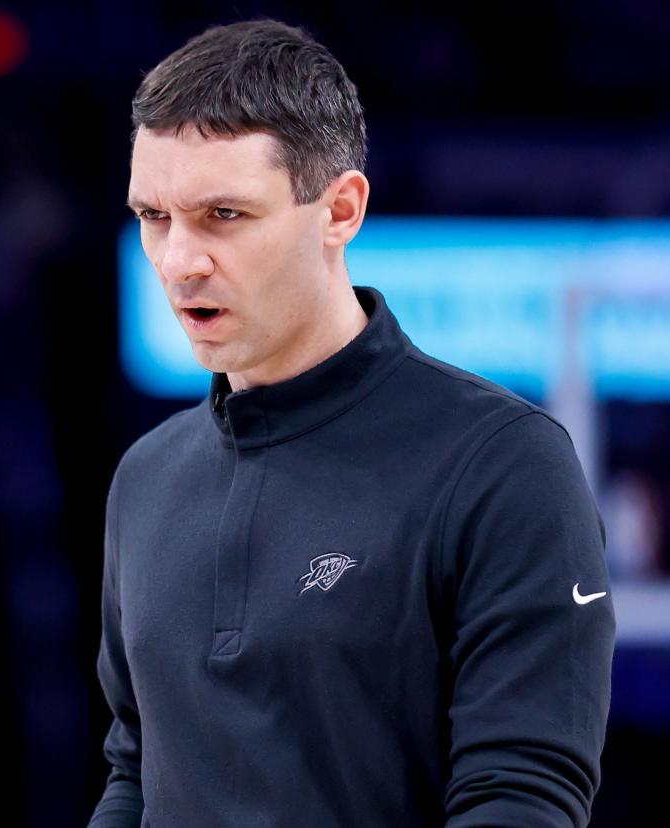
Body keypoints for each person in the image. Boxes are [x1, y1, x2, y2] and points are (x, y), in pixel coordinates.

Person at [89, 18, 615, 828]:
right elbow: (135, 772)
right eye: (154, 216)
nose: (178, 259)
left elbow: (521, 798)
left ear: (340, 209)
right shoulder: (147, 477)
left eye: (223, 215)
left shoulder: (503, 465)